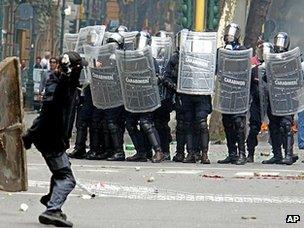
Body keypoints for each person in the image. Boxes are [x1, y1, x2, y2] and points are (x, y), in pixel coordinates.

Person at [22, 51, 85, 227]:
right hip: (51, 139)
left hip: (53, 138)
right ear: (73, 68)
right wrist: (31, 134)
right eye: (79, 67)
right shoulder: (61, 85)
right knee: (67, 178)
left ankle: (51, 200)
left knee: (61, 172)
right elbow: (47, 113)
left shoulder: (65, 83)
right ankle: (52, 209)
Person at [124, 31, 164, 163]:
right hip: (134, 96)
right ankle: (141, 152)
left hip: (147, 96)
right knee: (130, 124)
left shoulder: (151, 60)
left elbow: (157, 78)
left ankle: (158, 151)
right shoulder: (130, 59)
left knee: (146, 123)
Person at [261, 32, 298, 165]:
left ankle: (288, 154)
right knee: (274, 126)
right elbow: (265, 77)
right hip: (274, 98)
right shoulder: (272, 59)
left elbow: (297, 78)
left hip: (287, 98)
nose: (279, 44)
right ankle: (277, 154)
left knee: (286, 125)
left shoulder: (293, 59)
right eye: (277, 41)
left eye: (282, 41)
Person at [217, 23, 249, 165]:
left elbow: (245, 70)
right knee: (227, 123)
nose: (229, 35)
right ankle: (232, 153)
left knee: (239, 123)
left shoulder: (243, 50)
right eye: (228, 32)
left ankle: (242, 153)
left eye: (232, 33)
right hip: (226, 92)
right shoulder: (221, 51)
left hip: (238, 92)